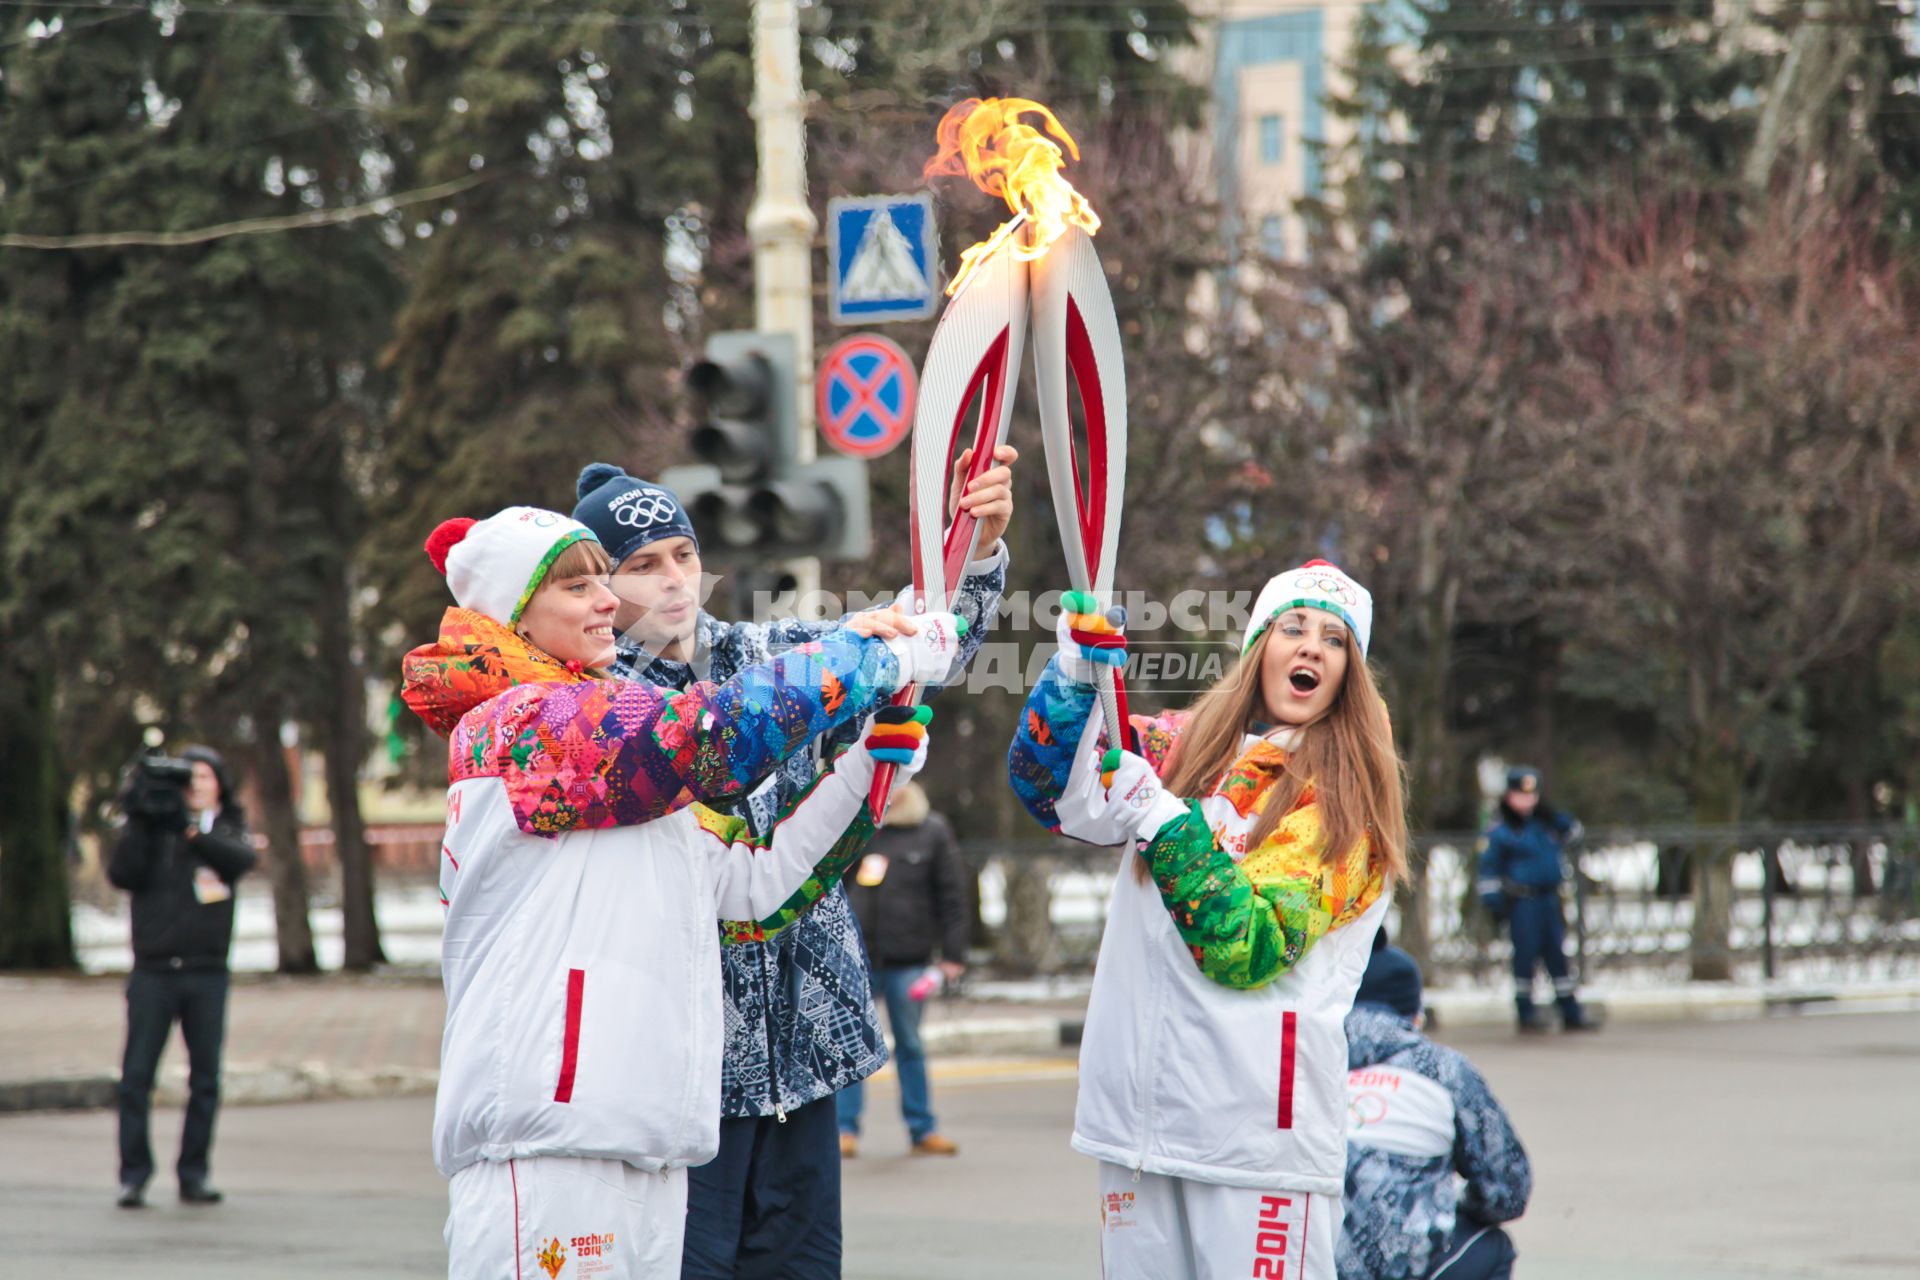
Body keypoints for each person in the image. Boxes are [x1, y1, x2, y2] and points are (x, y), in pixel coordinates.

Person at [398, 506, 962, 1278]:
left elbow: (758, 889)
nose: (606, 600)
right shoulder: (521, 727)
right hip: (550, 1147)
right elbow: (709, 739)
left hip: (654, 1145)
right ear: (512, 613)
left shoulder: (615, 756)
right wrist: (869, 658)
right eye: (575, 586)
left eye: (603, 579)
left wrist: (869, 765)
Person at [571, 451, 1012, 1279]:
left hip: (808, 1060)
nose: (674, 581)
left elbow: (928, 645)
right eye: (641, 566)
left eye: (684, 556)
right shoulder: (595, 712)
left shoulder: (773, 656)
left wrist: (977, 545)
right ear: (601, 588)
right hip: (685, 1076)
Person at [1009, 560, 1409, 1280]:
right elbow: (1047, 787)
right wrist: (1073, 676)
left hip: (1256, 1143)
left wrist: (1162, 818)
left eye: (1334, 639)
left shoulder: (1344, 808)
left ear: (1351, 672)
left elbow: (1245, 944)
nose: (1311, 647)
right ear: (1261, 646)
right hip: (1134, 1128)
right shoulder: (1180, 752)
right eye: (1293, 627)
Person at [107, 743, 258, 1209]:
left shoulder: (227, 828)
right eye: (185, 777)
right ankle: (134, 1175)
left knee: (205, 1079)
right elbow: (122, 873)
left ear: (219, 784)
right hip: (153, 971)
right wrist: (141, 818)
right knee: (136, 1078)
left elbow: (239, 862)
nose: (194, 785)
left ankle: (193, 1173)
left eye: (204, 776)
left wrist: (190, 833)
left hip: (206, 973)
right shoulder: (150, 829)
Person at [1339, 937, 1531, 1280]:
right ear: (1414, 1017)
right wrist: (1448, 1199)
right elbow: (1507, 1190)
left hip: (1305, 1259)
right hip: (1408, 1265)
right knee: (1492, 1246)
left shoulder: (1302, 1063)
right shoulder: (1443, 1069)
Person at [835, 780, 971, 1159]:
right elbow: (836, 886)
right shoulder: (864, 826)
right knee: (851, 1047)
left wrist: (953, 955)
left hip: (909, 959)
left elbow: (953, 896)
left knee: (909, 1043)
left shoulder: (932, 830)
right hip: (859, 958)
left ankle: (922, 1128)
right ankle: (844, 1129)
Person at [1476, 766, 1595, 1033]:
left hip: (1549, 900)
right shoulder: (1501, 829)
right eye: (1520, 795)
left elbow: (1576, 835)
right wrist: (1493, 903)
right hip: (1522, 902)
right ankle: (1526, 1014)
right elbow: (1488, 869)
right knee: (1525, 958)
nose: (1527, 801)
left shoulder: (1546, 822)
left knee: (1558, 957)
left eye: (1532, 795)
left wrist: (1555, 816)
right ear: (1508, 796)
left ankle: (1571, 1012)